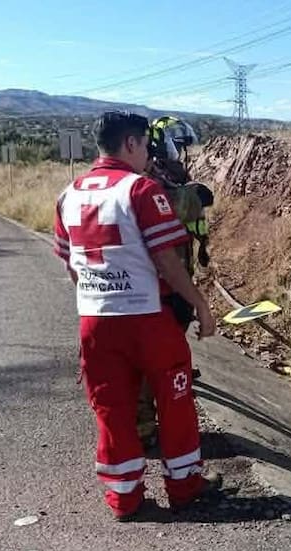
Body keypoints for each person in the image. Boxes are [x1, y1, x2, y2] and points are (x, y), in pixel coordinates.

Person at [53, 110, 218, 520]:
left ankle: (124, 497)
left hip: (95, 321)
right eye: (144, 145)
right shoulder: (141, 190)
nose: (147, 153)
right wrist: (199, 304)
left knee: (112, 410)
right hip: (148, 318)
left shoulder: (67, 194)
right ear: (131, 144)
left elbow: (71, 263)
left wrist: (98, 296)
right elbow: (166, 259)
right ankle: (185, 488)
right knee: (176, 402)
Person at [136, 115, 214, 446]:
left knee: (163, 358)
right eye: (175, 146)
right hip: (157, 284)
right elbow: (169, 206)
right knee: (147, 364)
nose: (179, 154)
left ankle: (155, 423)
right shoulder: (147, 178)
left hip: (175, 280)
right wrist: (193, 197)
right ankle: (143, 429)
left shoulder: (172, 176)